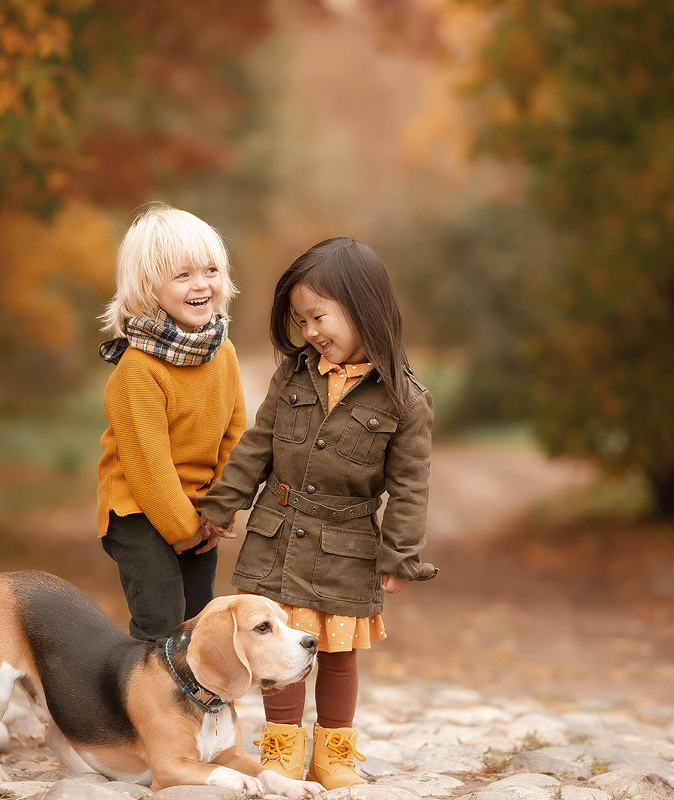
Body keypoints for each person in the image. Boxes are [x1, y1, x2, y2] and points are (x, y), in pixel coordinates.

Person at [198, 236, 438, 790]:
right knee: (279, 647)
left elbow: (409, 485)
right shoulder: (293, 376)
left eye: (317, 316)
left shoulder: (405, 400)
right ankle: (280, 750)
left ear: (364, 311)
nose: (309, 332)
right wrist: (223, 503)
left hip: (346, 546)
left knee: (337, 654)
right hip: (277, 535)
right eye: (301, 320)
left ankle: (335, 752)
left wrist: (400, 554)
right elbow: (259, 444)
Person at [96, 202, 246, 642]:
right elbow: (148, 467)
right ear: (148, 289)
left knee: (200, 622)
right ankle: (144, 708)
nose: (201, 285)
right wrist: (184, 530)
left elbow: (236, 438)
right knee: (162, 621)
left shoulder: (224, 353)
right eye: (182, 276)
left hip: (200, 509)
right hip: (138, 510)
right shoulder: (138, 369)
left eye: (210, 271)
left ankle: (198, 708)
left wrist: (218, 513)